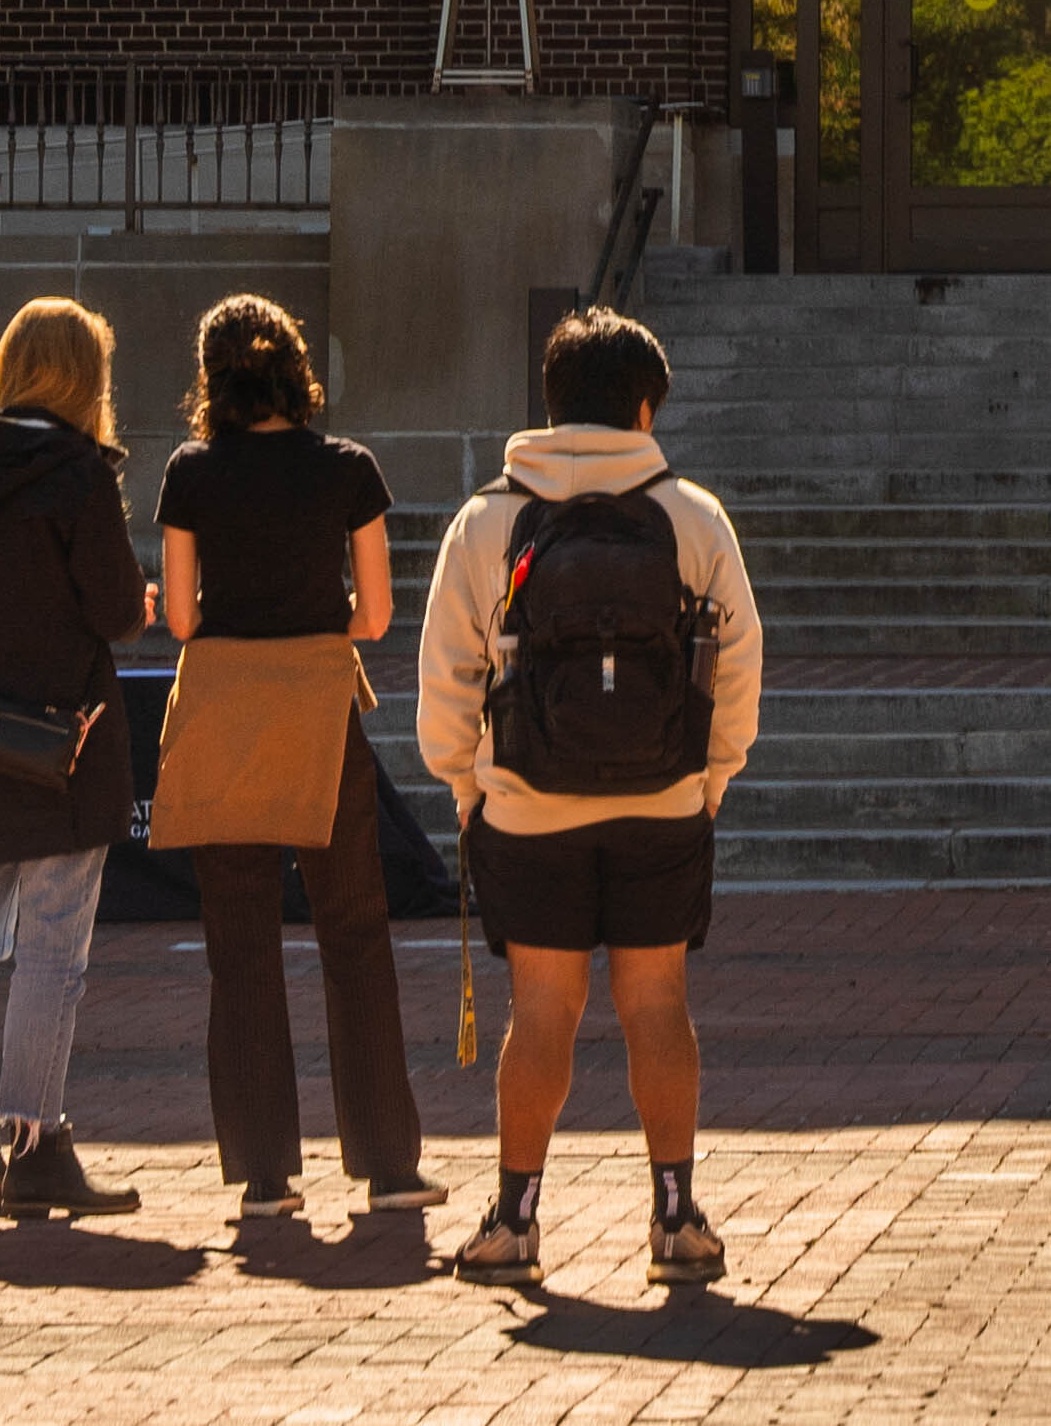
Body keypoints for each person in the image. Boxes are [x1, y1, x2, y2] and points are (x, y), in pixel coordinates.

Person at [418, 305, 766, 1291]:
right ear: (644, 405)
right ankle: (675, 1214)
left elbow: (445, 673)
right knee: (657, 1000)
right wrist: (711, 778)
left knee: (542, 1008)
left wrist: (466, 789)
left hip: (526, 804)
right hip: (663, 799)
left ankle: (517, 1216)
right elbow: (738, 662)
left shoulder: (488, 517)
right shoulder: (690, 514)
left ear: (553, 402)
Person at [154, 294, 439, 1226]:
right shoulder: (347, 467)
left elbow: (183, 618)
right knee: (353, 926)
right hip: (319, 698)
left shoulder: (190, 470)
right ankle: (389, 1162)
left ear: (212, 372)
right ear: (294, 367)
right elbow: (378, 614)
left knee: (240, 943)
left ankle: (267, 1174)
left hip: (224, 707)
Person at [0, 298, 149, 1222]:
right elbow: (118, 610)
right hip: (67, 737)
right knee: (53, 949)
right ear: (83, 375)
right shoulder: (80, 474)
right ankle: (38, 1140)